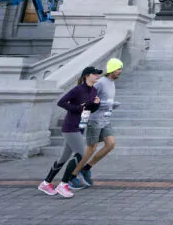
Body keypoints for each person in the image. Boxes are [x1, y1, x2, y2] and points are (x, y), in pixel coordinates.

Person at [38, 66, 102, 198]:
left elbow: (89, 110)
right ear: (87, 75)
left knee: (64, 157)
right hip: (70, 126)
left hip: (80, 126)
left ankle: (46, 183)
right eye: (95, 74)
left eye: (98, 74)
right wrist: (77, 108)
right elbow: (61, 102)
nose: (97, 76)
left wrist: (96, 104)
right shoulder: (78, 90)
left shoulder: (94, 90)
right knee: (80, 153)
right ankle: (63, 184)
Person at [73, 57, 124, 188]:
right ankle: (72, 175)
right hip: (94, 119)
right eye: (118, 69)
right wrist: (101, 104)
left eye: (121, 69)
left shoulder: (112, 82)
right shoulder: (100, 82)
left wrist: (111, 105)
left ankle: (86, 168)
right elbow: (88, 98)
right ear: (112, 69)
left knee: (110, 144)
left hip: (105, 119)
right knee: (91, 148)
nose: (120, 71)